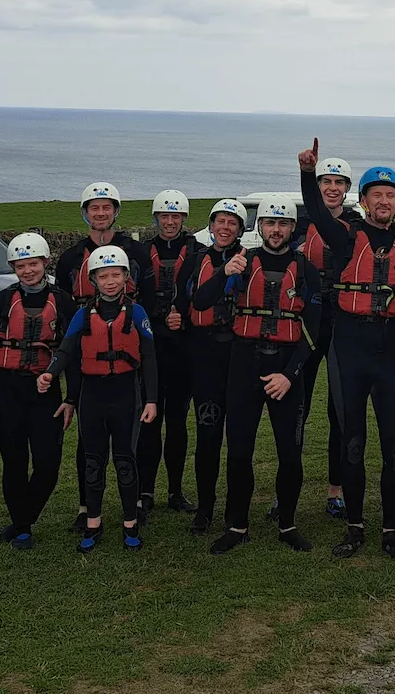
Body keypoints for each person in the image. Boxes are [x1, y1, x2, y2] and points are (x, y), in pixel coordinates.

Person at [298, 138, 395, 561]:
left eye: (390, 195)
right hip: (348, 351)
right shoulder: (346, 236)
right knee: (352, 442)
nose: (383, 201)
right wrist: (307, 174)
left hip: (388, 353)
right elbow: (315, 211)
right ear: (364, 201)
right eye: (376, 195)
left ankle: (390, 531)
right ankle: (354, 529)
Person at [209, 197, 323, 555]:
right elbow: (199, 302)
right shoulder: (242, 264)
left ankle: (287, 524)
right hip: (245, 365)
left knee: (290, 454)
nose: (276, 230)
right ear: (260, 227)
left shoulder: (306, 270)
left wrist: (289, 376)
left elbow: (314, 334)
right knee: (240, 451)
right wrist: (223, 273)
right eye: (270, 223)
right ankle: (236, 524)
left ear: (293, 228)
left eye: (284, 223)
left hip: (287, 369)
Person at [35, 246, 158, 553]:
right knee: (93, 462)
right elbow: (66, 349)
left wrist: (152, 400)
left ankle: (130, 523)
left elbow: (150, 359)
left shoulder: (137, 313)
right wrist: (50, 373)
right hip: (93, 395)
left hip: (127, 394)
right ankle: (93, 522)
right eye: (103, 276)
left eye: (116, 274)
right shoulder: (82, 314)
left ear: (126, 277)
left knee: (125, 462)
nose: (110, 281)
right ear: (94, 279)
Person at [54, 182, 154, 532]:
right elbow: (62, 306)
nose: (100, 213)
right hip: (86, 351)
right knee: (89, 440)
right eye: (93, 208)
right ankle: (87, 508)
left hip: (129, 353)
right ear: (85, 213)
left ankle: (138, 501)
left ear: (115, 211)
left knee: (136, 433)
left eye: (106, 207)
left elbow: (151, 300)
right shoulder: (70, 258)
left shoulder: (136, 254)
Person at [0, 233, 76, 550]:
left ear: (45, 263)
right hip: (7, 390)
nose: (28, 270)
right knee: (14, 463)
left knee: (48, 463)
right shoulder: (1, 302)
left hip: (45, 392)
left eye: (33, 264)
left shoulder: (62, 302)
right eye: (20, 265)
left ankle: (23, 518)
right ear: (13, 267)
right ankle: (22, 530)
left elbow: (72, 354)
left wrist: (72, 398)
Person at [174, 198, 250, 536]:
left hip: (238, 355)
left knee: (238, 439)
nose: (224, 227)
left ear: (241, 229)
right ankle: (204, 509)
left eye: (232, 222)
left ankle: (235, 512)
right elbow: (189, 301)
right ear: (211, 224)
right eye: (219, 220)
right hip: (203, 354)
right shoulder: (194, 261)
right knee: (207, 435)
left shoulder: (253, 261)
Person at [295, 156, 361, 519]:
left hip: (342, 324)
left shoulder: (355, 227)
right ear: (317, 187)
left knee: (339, 410)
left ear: (348, 189)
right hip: (305, 323)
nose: (332, 188)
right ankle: (286, 487)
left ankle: (335, 489)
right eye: (326, 182)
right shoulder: (299, 225)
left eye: (339, 183)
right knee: (297, 408)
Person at [137, 189, 197, 519]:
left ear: (184, 219)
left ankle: (175, 490)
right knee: (149, 420)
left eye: (176, 216)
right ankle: (146, 490)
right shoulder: (143, 253)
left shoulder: (198, 253)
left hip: (182, 349)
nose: (170, 221)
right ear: (156, 218)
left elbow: (203, 294)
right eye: (165, 216)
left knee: (176, 422)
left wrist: (184, 317)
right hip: (150, 348)